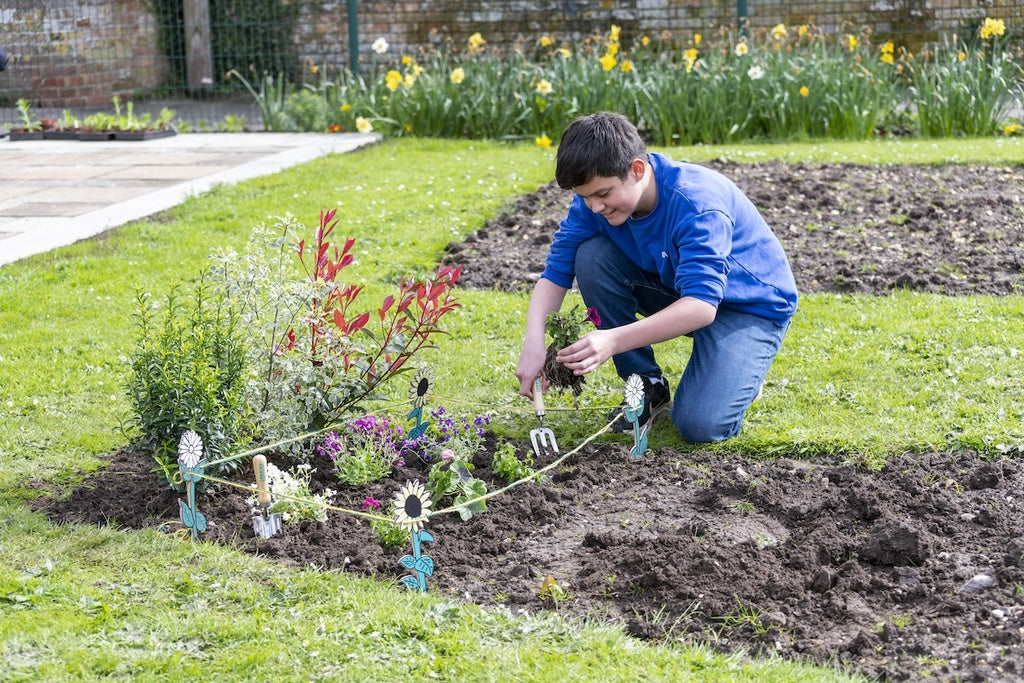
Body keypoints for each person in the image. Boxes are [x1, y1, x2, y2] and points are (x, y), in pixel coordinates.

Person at [515, 111, 798, 442]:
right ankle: (648, 385)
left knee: (700, 425)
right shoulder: (594, 207)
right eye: (584, 196)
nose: (594, 207)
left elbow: (702, 307)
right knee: (590, 256)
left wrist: (612, 339)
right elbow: (556, 274)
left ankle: (740, 371)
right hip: (679, 290)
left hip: (747, 307)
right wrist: (533, 341)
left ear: (636, 170)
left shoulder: (696, 203)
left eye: (603, 194)